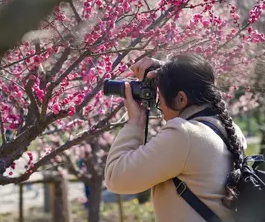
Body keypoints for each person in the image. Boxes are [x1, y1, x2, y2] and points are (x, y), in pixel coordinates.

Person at [104, 54, 247, 222]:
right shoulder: (229, 130)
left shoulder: (184, 134)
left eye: (161, 97)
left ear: (180, 99)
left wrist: (136, 121)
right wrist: (172, 71)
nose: (159, 106)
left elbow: (117, 178)